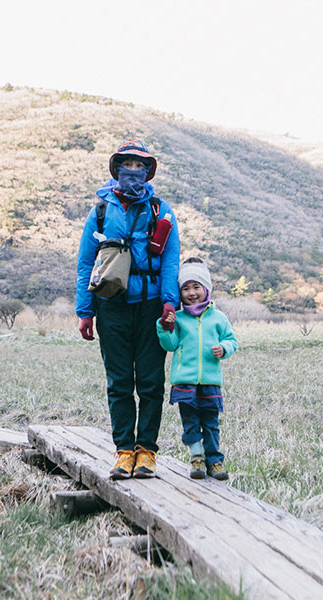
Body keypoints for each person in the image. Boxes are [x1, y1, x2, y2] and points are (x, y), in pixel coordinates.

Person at [76, 139, 180, 480]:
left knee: (150, 382)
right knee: (119, 383)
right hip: (111, 307)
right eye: (127, 165)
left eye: (140, 166)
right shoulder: (101, 211)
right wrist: (84, 311)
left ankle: (146, 452)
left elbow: (170, 262)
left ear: (148, 171)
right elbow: (85, 264)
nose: (133, 171)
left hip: (151, 307)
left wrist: (169, 303)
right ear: (116, 169)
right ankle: (124, 452)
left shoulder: (161, 211)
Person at [156, 257, 237, 480]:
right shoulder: (179, 318)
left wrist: (224, 348)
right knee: (190, 422)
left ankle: (215, 461)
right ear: (180, 293)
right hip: (184, 380)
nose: (191, 293)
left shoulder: (218, 318)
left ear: (206, 288)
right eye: (185, 288)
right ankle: (197, 458)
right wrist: (164, 327)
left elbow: (232, 340)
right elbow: (170, 344)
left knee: (211, 423)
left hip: (210, 381)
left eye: (196, 287)